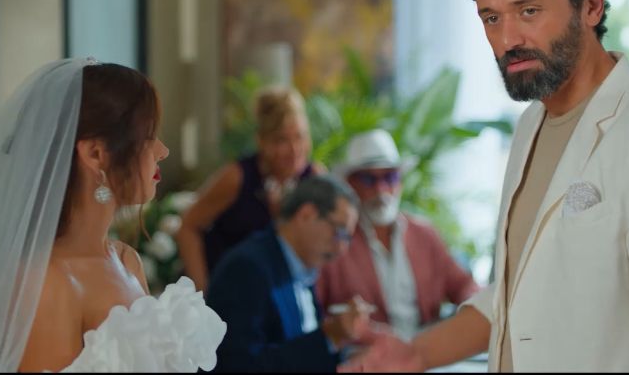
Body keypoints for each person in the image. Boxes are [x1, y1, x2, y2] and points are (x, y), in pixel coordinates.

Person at [341, 0, 629, 372]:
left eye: (528, 11)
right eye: (491, 18)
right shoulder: (532, 123)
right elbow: (516, 293)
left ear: (591, 5)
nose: (508, 40)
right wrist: (417, 352)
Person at [0, 59, 226, 372]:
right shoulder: (44, 282)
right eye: (148, 137)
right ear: (95, 153)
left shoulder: (127, 260)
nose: (162, 151)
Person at [316, 129, 479, 340]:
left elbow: (464, 285)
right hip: (366, 355)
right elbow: (316, 314)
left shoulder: (424, 235)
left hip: (428, 351)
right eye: (368, 179)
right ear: (350, 185)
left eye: (390, 177)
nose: (381, 189)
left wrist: (472, 311)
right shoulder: (335, 241)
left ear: (400, 182)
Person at [206, 174, 372, 372]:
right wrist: (328, 337)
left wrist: (347, 355)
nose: (342, 248)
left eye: (348, 238)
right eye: (339, 232)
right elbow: (238, 366)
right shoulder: (247, 268)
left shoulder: (300, 267)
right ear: (306, 215)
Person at [176, 86, 322, 291]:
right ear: (261, 140)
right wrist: (203, 294)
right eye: (282, 139)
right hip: (229, 289)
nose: (294, 149)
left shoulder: (315, 178)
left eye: (299, 136)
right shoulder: (237, 177)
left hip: (283, 293)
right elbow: (188, 227)